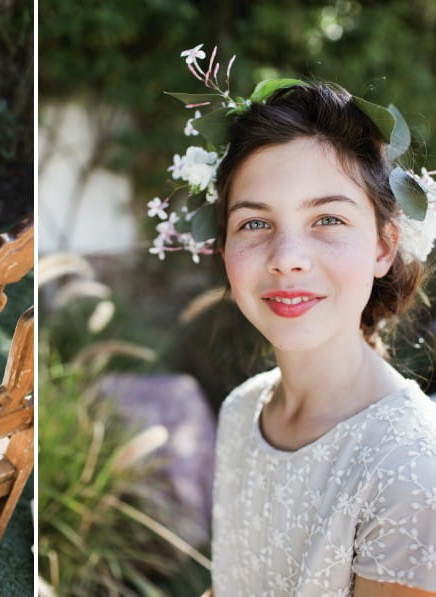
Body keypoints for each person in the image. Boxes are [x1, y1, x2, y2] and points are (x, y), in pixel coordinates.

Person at [151, 46, 436, 596]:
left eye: (327, 218)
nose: (287, 256)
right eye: (255, 223)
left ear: (383, 247)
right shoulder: (241, 410)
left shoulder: (412, 467)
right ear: (223, 249)